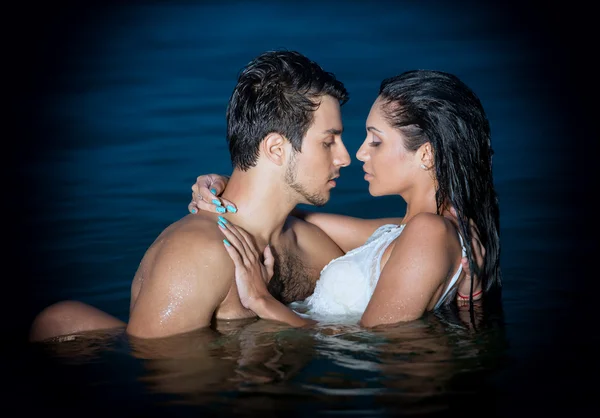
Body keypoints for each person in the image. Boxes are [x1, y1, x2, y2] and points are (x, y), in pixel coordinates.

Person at [188, 69, 500, 328]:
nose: (360, 153)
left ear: (427, 154)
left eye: (376, 141)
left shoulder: (429, 233)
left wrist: (261, 301)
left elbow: (372, 341)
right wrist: (230, 184)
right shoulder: (409, 230)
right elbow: (290, 213)